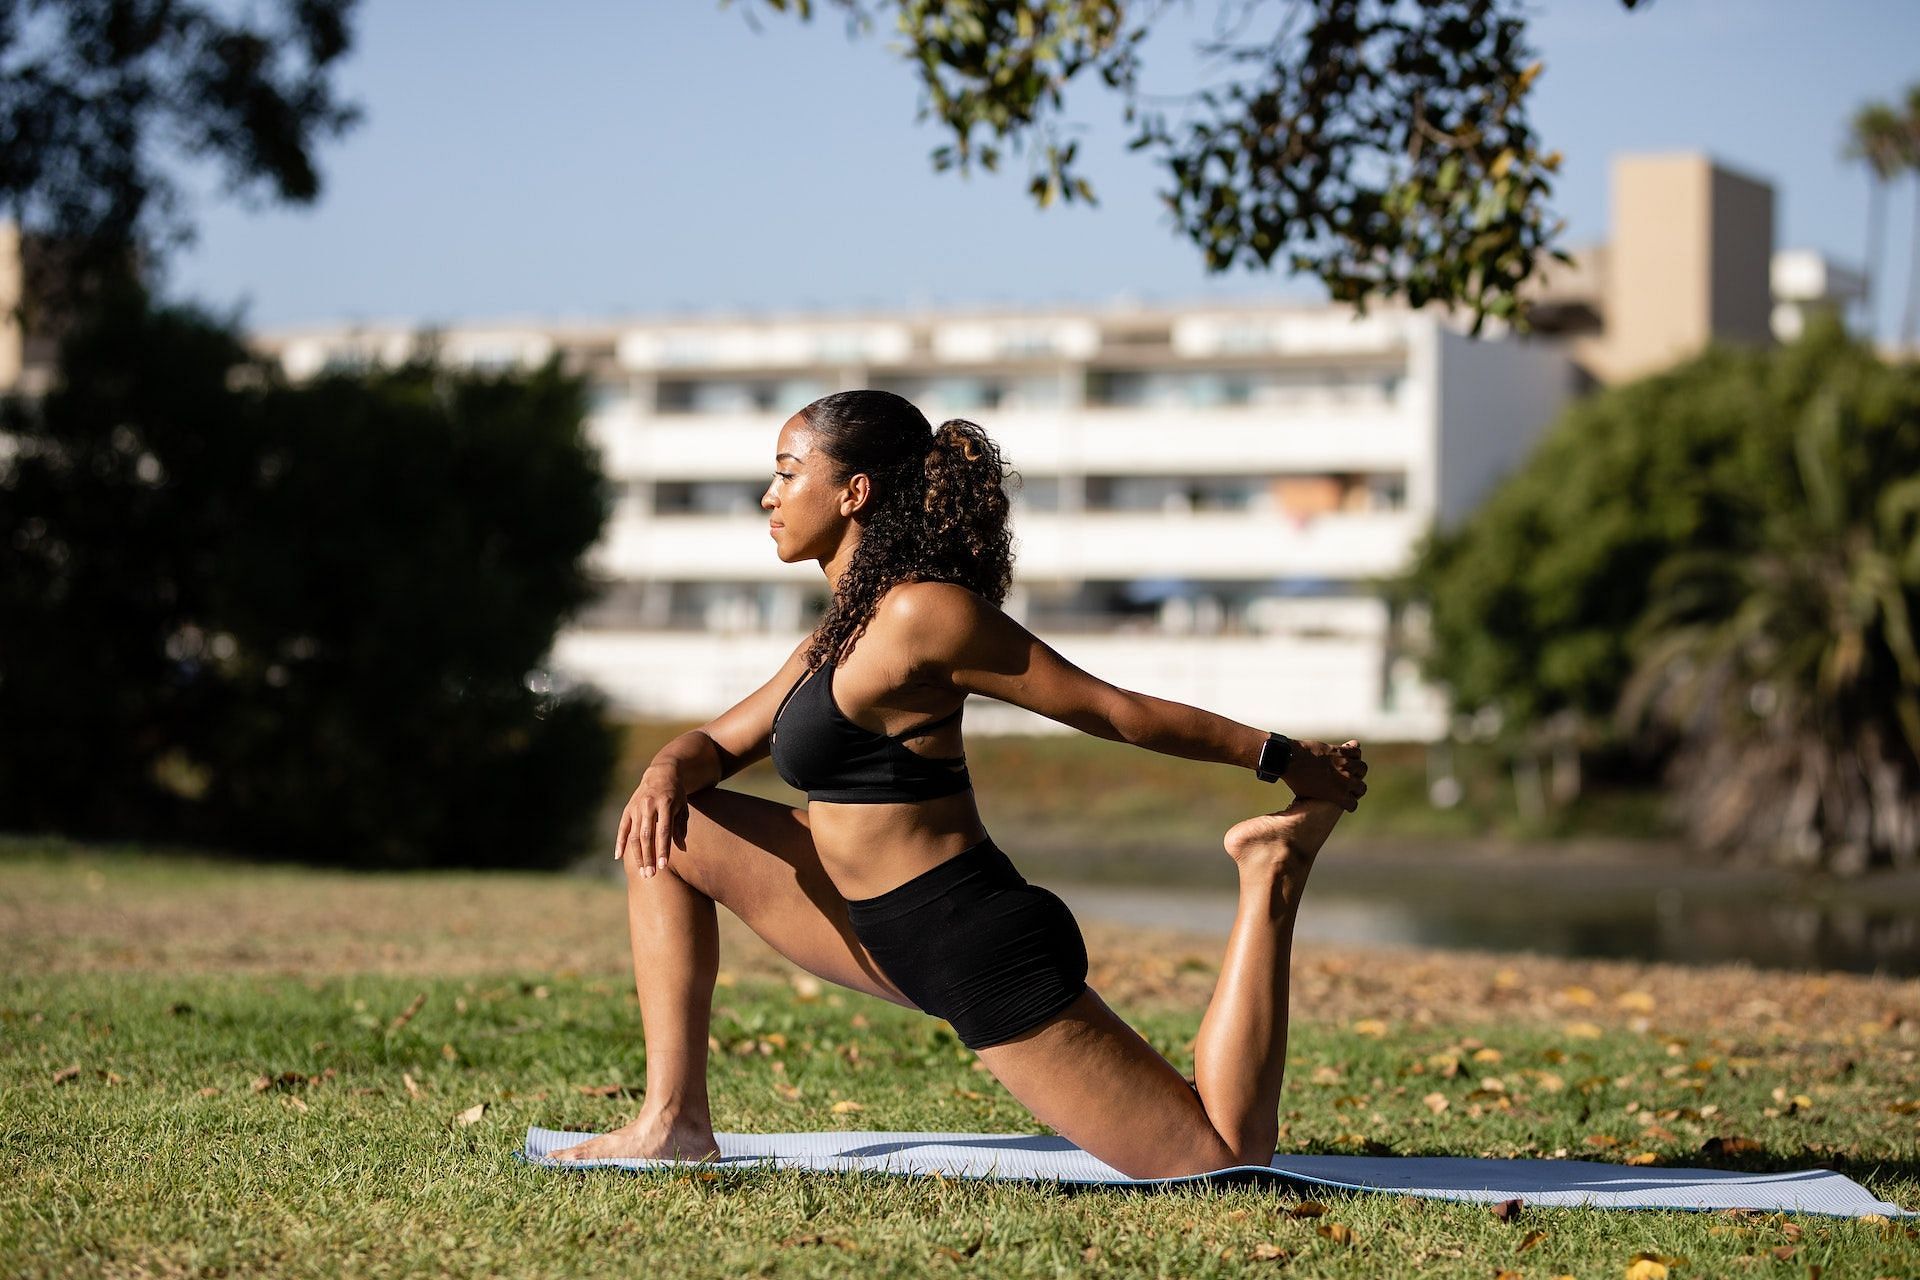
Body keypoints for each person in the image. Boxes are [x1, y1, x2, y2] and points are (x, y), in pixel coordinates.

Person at [551, 390, 1367, 1178]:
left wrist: (1283, 759)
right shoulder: (839, 630)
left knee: (1221, 1159)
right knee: (662, 832)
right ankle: (674, 1120)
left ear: (853, 492)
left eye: (788, 471)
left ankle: (1271, 869)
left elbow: (1111, 711)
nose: (769, 495)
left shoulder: (923, 614)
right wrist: (662, 770)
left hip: (963, 940)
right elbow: (716, 744)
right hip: (857, 916)